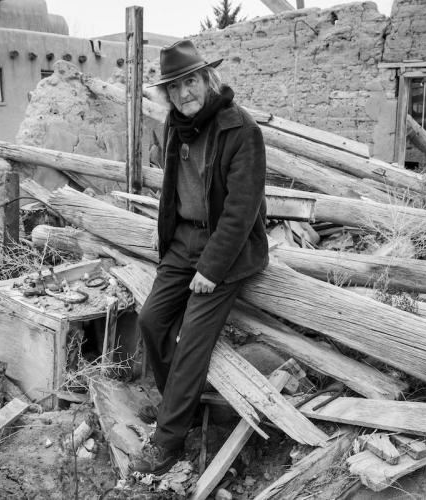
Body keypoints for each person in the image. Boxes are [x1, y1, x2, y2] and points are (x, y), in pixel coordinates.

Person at [131, 39, 268, 475]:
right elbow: (173, 191)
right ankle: (179, 406)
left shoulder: (240, 130)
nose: (184, 92)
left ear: (207, 79)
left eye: (190, 81)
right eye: (174, 86)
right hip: (183, 242)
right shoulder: (177, 125)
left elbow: (241, 209)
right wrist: (171, 245)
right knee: (152, 320)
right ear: (167, 94)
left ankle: (169, 439)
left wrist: (211, 268)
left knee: (192, 336)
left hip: (226, 250)